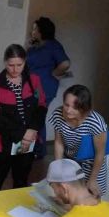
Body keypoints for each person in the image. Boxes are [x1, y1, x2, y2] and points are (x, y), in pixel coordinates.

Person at [0, 44, 47, 192]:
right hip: (1, 143)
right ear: (5, 62)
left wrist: (32, 130)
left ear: (25, 62)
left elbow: (41, 106)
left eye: (19, 65)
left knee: (21, 180)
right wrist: (22, 133)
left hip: (27, 142)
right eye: (11, 65)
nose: (15, 69)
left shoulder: (34, 80)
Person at [49, 85, 108, 196]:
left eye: (75, 108)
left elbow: (100, 153)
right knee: (67, 197)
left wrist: (92, 180)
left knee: (90, 198)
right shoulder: (58, 114)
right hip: (70, 162)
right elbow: (59, 143)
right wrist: (58, 169)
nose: (68, 110)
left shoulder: (95, 122)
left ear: (84, 108)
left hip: (91, 166)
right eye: (66, 105)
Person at [27, 17, 71, 158]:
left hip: (45, 87)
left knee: (38, 115)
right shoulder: (36, 46)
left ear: (42, 31)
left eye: (35, 29)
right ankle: (31, 147)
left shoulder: (53, 46)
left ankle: (39, 150)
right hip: (30, 86)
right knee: (30, 115)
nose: (32, 31)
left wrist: (54, 73)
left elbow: (65, 63)